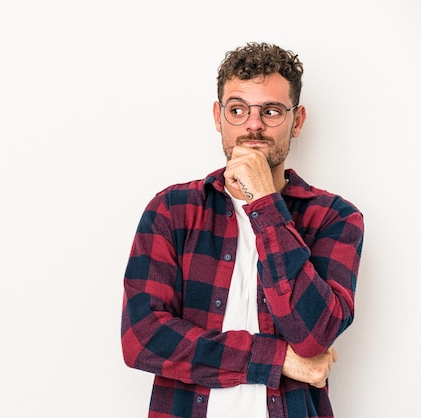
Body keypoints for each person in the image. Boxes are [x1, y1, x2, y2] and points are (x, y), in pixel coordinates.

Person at [120, 42, 364, 418]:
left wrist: (264, 203)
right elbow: (143, 338)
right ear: (218, 117)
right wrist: (277, 357)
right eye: (238, 110)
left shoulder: (335, 218)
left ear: (296, 121)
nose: (253, 124)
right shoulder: (172, 210)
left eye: (270, 111)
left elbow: (315, 335)